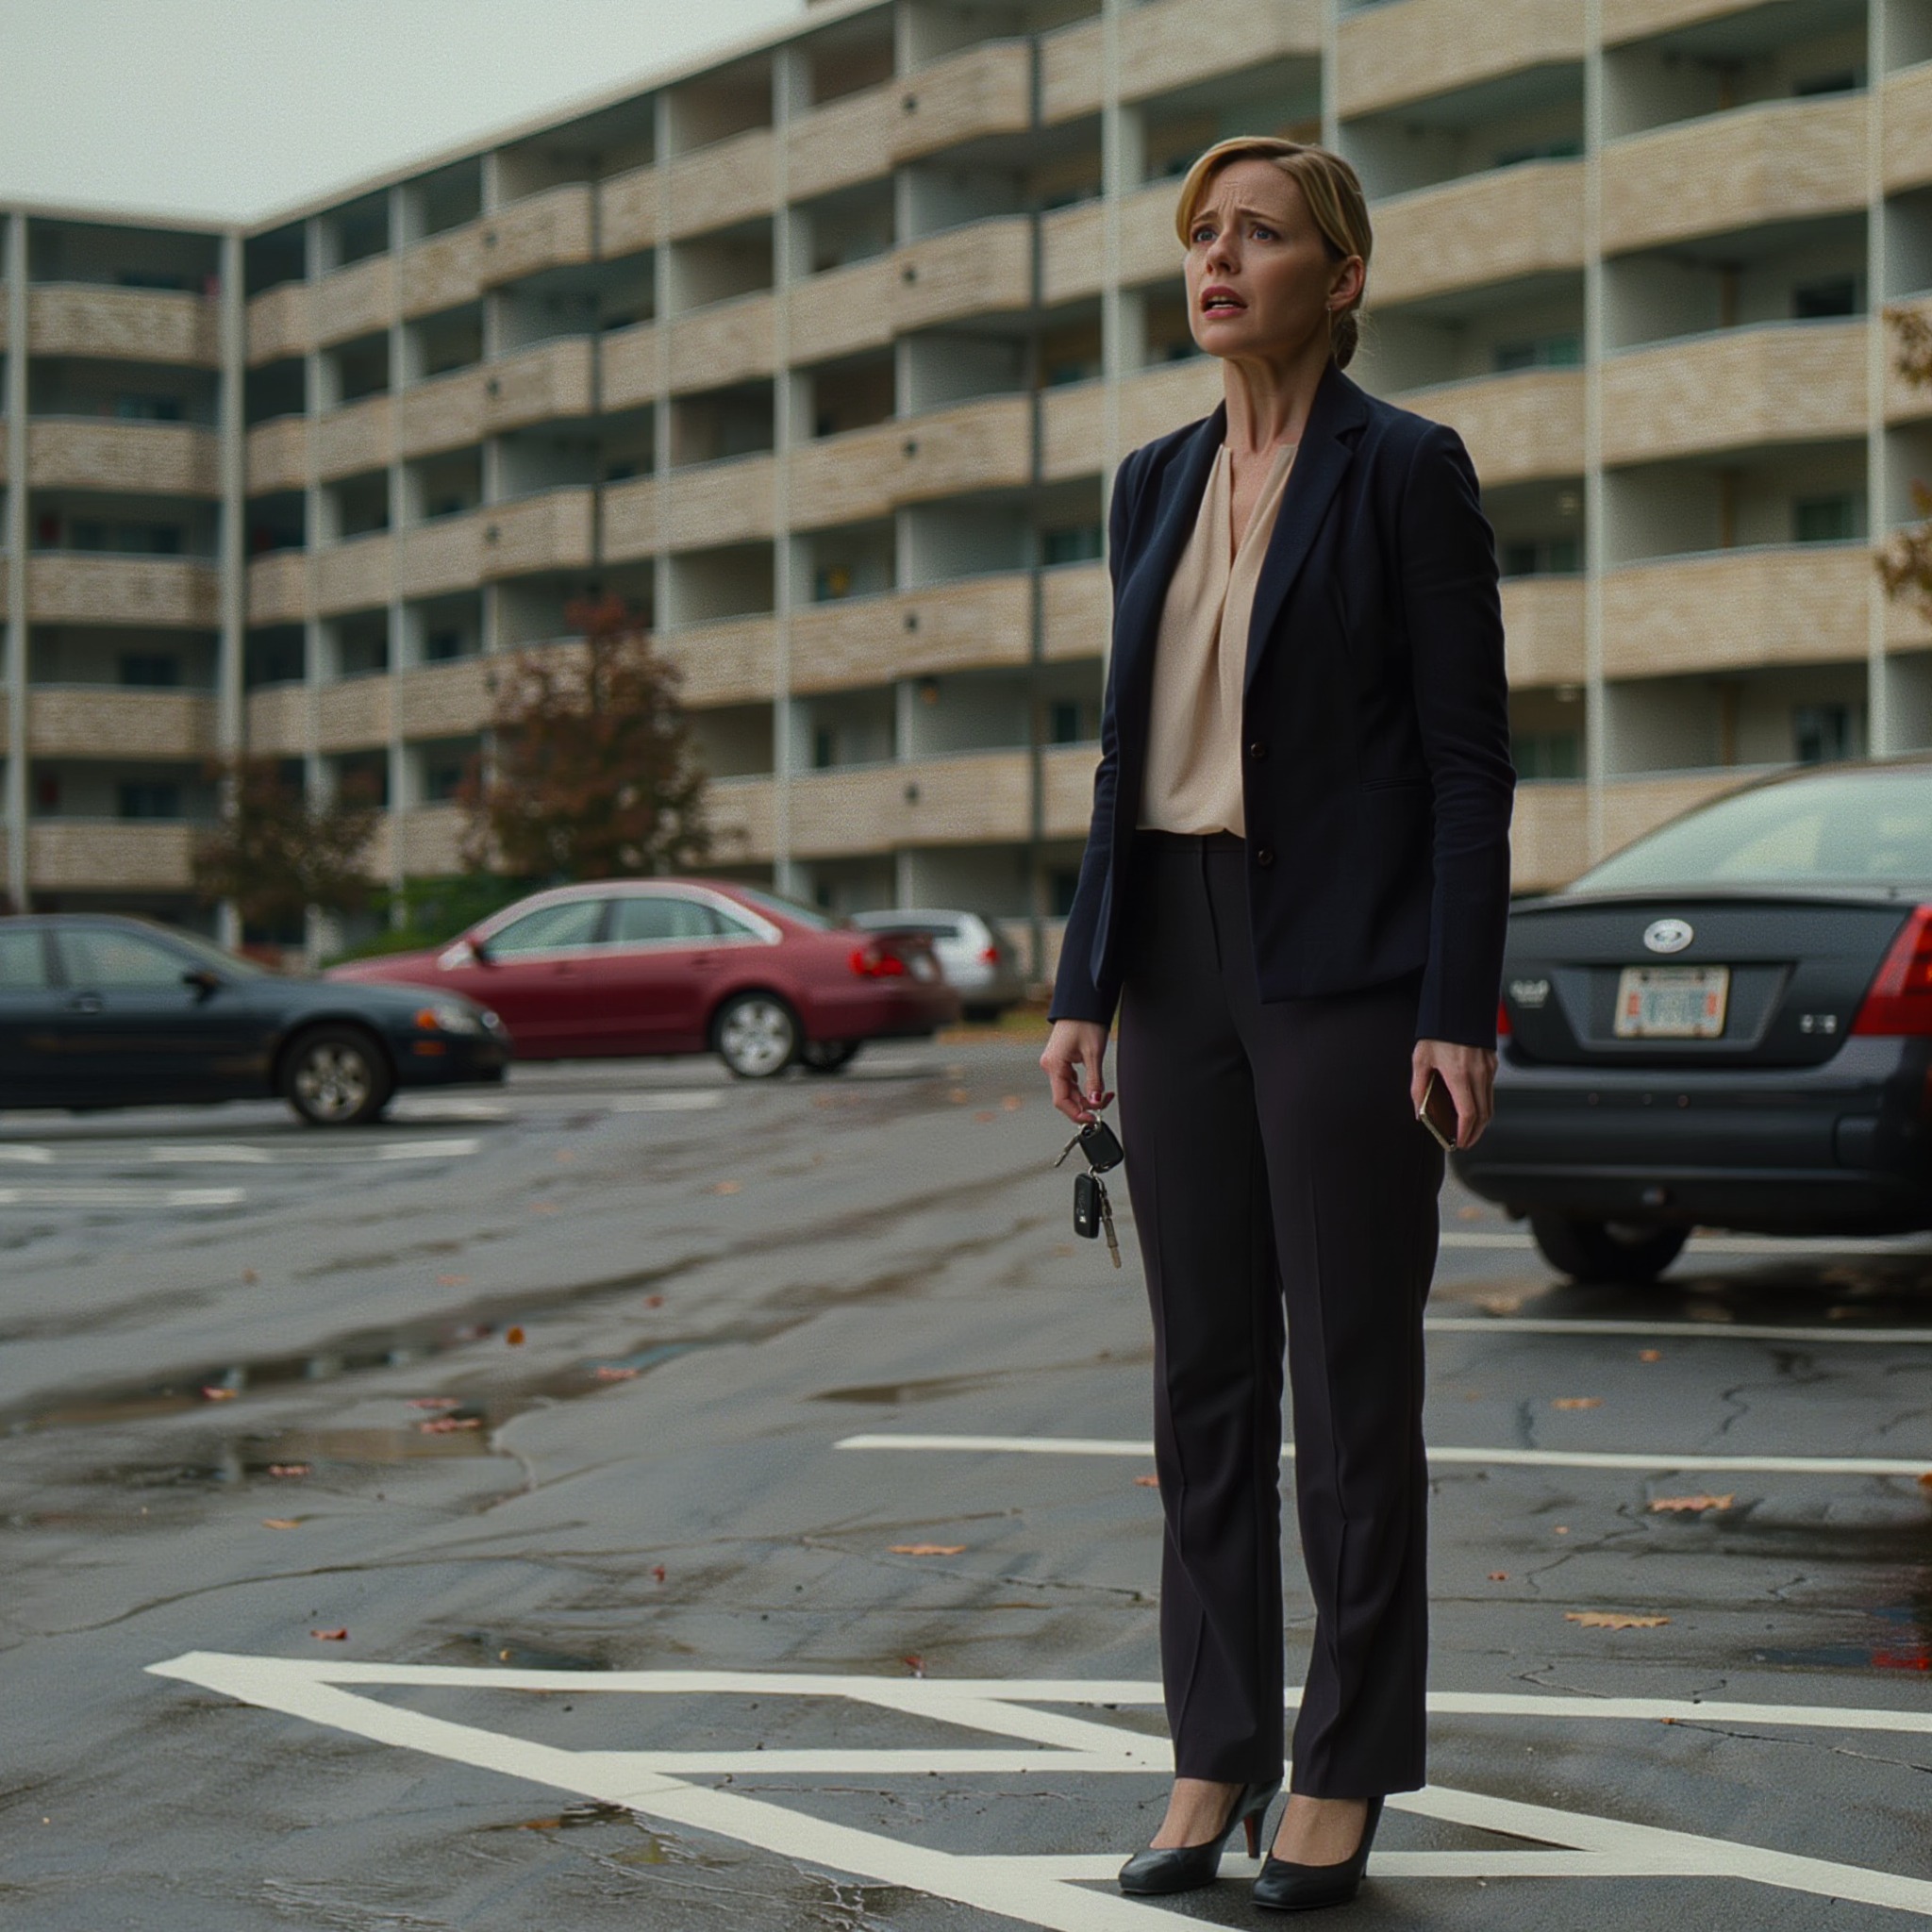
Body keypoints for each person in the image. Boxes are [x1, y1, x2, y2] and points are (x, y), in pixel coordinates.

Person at [1039, 136, 1514, 1911]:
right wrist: (1087, 980)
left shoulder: (1407, 472)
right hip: (1175, 958)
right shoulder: (1152, 481)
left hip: (1348, 968)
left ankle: (1344, 1770)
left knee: (1354, 1378)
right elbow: (1118, 760)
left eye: (1257, 235)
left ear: (1344, 273)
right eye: (1200, 236)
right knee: (1205, 1383)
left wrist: (1456, 1006)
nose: (1216, 262)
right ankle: (1213, 1751)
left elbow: (1471, 767)